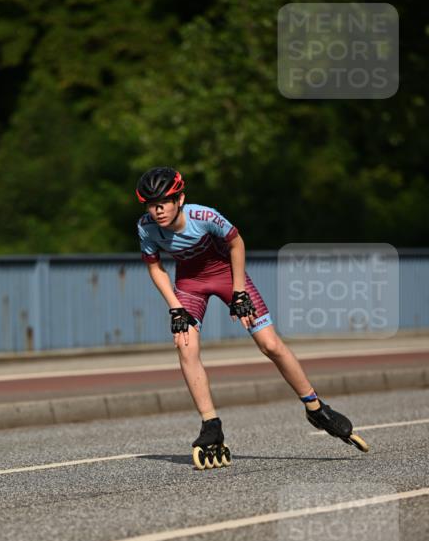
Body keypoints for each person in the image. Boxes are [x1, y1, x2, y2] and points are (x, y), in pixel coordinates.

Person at [136, 166, 368, 467]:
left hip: (226, 276)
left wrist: (240, 292)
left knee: (269, 344)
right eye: (150, 205)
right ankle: (211, 425)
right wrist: (175, 306)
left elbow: (236, 243)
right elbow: (155, 267)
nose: (156, 211)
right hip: (190, 284)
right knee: (184, 345)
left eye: (162, 203)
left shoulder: (204, 217)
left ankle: (315, 408)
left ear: (180, 199)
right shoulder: (145, 226)